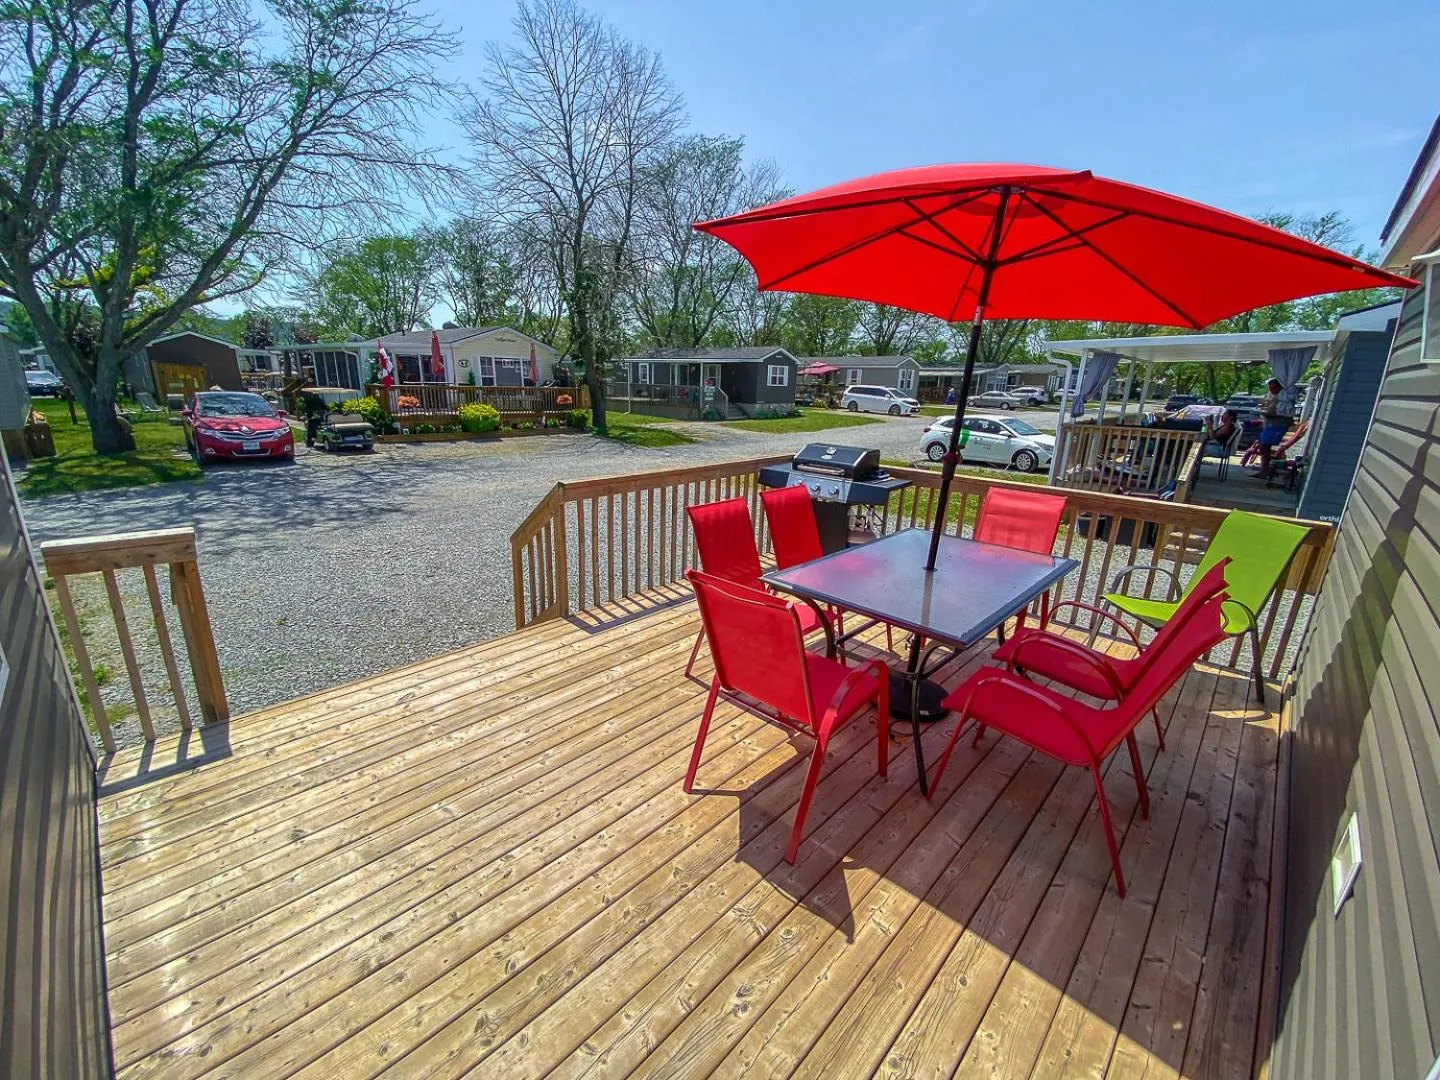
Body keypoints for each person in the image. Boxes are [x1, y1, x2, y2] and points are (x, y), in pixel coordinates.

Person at [1255, 378, 1292, 479]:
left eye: (1274, 388)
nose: (1272, 390)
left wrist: (1269, 414)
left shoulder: (1284, 399)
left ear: (1280, 387)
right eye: (1270, 388)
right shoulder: (1271, 396)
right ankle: (1264, 469)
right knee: (1263, 447)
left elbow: (1286, 415)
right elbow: (1264, 407)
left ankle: (1266, 470)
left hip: (1277, 426)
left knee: (1265, 446)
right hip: (1268, 426)